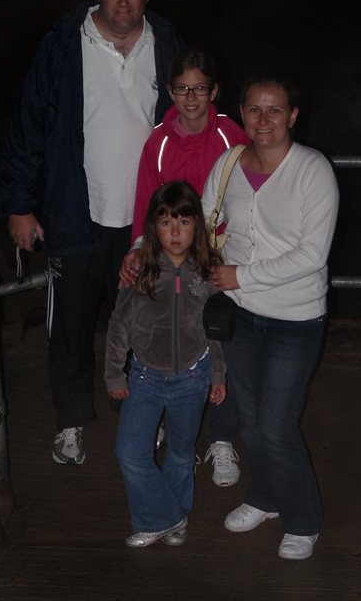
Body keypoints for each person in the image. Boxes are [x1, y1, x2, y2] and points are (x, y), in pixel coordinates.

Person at [0, 0, 184, 466]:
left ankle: (149, 421)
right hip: (74, 214)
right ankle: (71, 422)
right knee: (71, 328)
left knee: (148, 327)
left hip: (146, 219)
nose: (122, 1)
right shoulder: (61, 45)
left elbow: (189, 124)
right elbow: (28, 127)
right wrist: (19, 204)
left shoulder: (166, 42)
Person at [202, 72, 339, 561]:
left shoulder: (313, 170)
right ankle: (265, 496)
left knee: (278, 426)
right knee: (254, 422)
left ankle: (304, 518)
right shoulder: (228, 162)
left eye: (275, 109)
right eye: (255, 109)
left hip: (294, 319)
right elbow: (203, 222)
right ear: (242, 113)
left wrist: (241, 275)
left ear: (293, 116)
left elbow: (312, 255)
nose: (264, 119)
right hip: (240, 317)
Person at [128, 46, 250, 487]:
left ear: (214, 90)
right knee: (164, 335)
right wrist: (139, 252)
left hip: (216, 259)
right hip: (168, 260)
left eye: (200, 88)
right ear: (169, 91)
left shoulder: (231, 136)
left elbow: (248, 196)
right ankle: (161, 421)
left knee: (217, 343)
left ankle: (220, 439)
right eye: (181, 89)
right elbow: (145, 201)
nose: (191, 98)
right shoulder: (158, 142)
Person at [105, 181, 226, 547]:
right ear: (153, 229)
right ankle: (164, 517)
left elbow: (215, 328)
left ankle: (173, 521)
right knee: (130, 453)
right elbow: (119, 323)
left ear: (197, 227)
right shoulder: (141, 270)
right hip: (144, 377)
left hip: (193, 377)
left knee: (179, 452)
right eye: (166, 222)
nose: (175, 232)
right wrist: (113, 372)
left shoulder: (207, 273)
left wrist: (217, 373)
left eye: (184, 222)